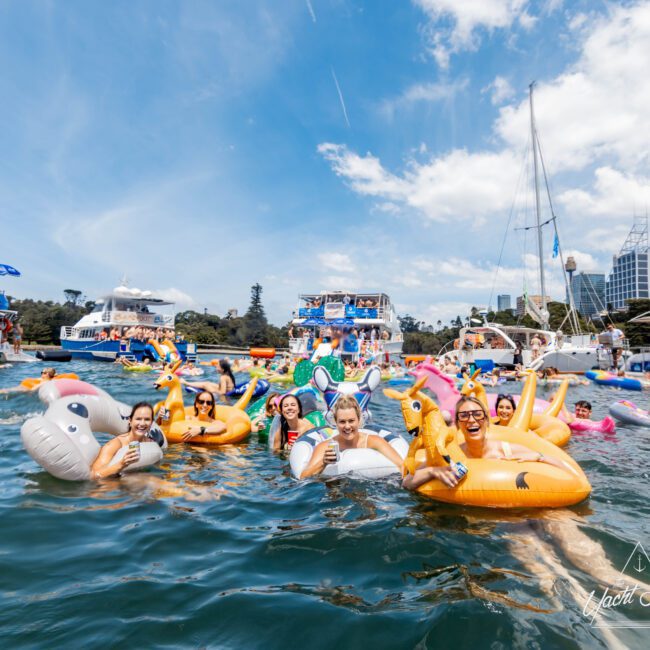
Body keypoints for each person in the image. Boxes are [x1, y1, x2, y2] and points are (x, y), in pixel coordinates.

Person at [404, 395, 567, 490]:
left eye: (477, 414)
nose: (471, 420)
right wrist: (433, 472)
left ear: (486, 420)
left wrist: (539, 457)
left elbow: (566, 470)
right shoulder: (449, 455)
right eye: (464, 416)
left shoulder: (506, 450)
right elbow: (407, 482)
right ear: (458, 424)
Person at [300, 395, 404, 478]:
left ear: (358, 420)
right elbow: (303, 476)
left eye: (351, 421)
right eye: (342, 422)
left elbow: (401, 465)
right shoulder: (324, 447)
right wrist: (323, 463)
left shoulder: (374, 441)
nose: (347, 426)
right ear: (335, 422)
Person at [91, 402, 157, 479]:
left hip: (138, 480)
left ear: (151, 422)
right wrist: (121, 464)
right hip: (113, 484)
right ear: (130, 421)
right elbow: (95, 475)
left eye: (147, 419)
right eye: (138, 419)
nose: (142, 423)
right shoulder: (114, 445)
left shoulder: (150, 443)